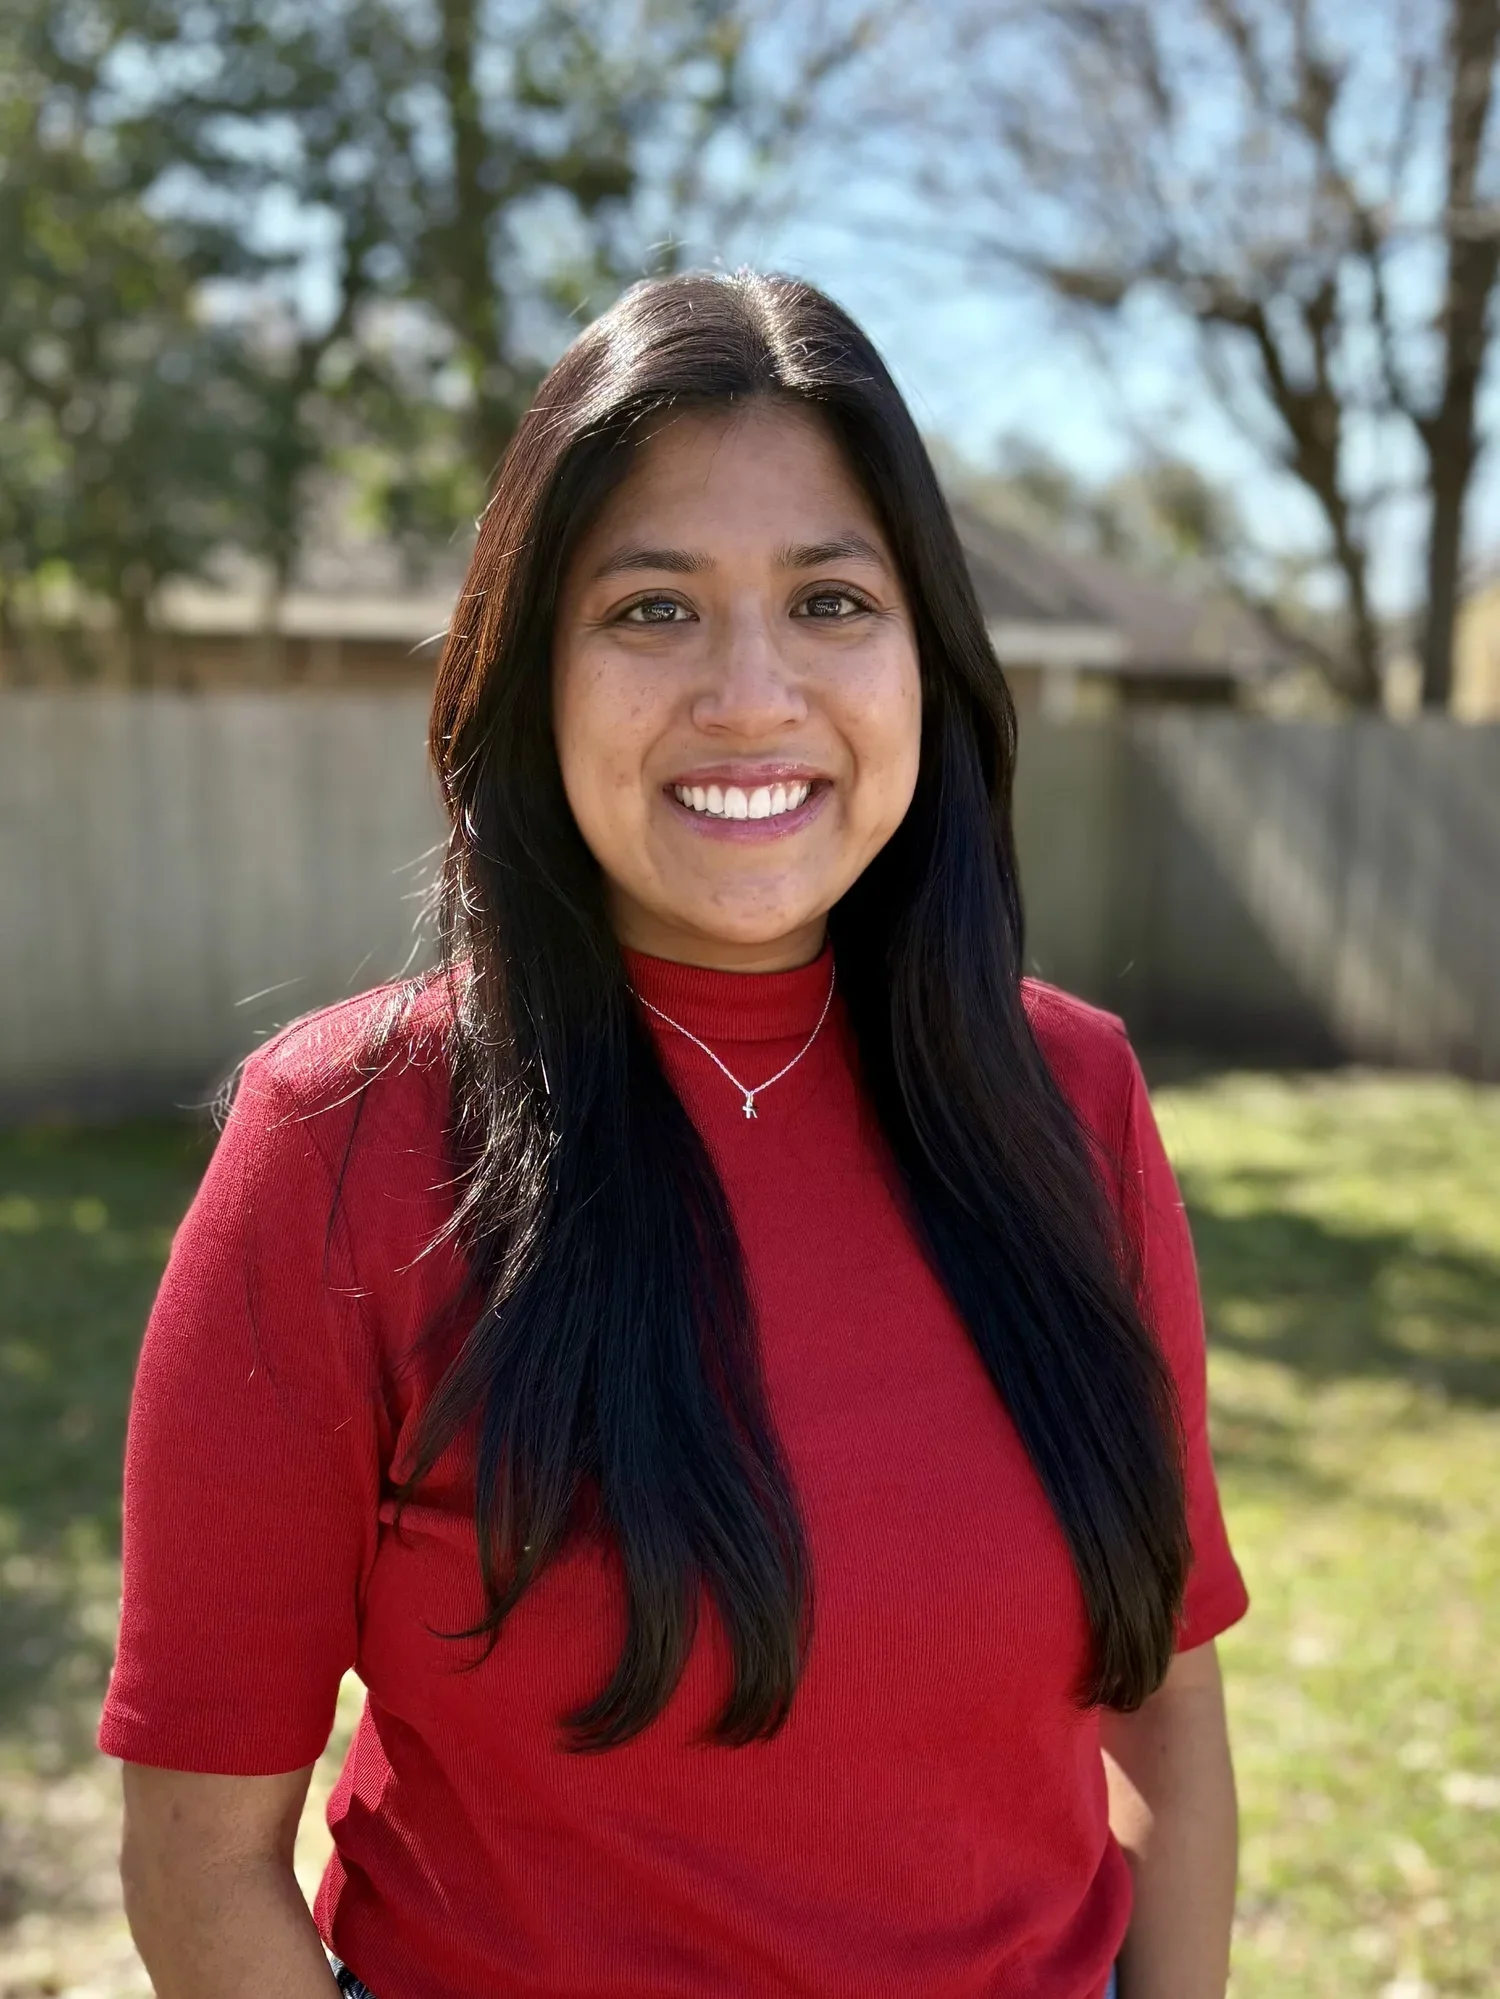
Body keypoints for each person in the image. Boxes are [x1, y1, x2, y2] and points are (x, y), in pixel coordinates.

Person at [101, 270, 1247, 1999]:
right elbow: (200, 1854)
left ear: (923, 653)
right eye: (653, 609)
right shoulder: (345, 1140)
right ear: (532, 670)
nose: (751, 695)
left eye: (831, 599)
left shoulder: (1071, 1101)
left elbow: (1164, 1697)